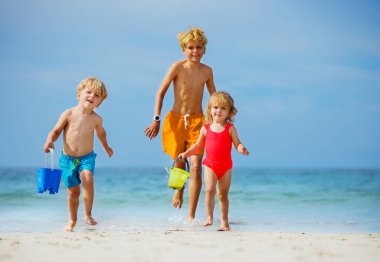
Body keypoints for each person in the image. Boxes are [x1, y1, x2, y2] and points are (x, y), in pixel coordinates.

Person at [144, 27, 216, 220]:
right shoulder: (177, 67)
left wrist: (218, 120)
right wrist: (156, 119)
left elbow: (213, 98)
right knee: (180, 161)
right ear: (184, 49)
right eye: (191, 47)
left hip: (198, 121)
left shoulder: (207, 71)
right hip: (175, 120)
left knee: (195, 166)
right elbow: (160, 93)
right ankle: (178, 190)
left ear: (204, 49)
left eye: (199, 47)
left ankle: (191, 216)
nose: (195, 51)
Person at [43, 77, 113, 232]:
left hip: (86, 158)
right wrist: (49, 140)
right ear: (78, 95)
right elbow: (56, 131)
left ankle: (87, 215)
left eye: (97, 96)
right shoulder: (68, 114)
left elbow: (101, 134)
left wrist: (106, 147)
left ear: (99, 103)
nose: (92, 97)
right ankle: (72, 220)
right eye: (89, 92)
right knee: (73, 192)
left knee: (87, 178)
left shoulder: (96, 119)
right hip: (67, 159)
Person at [178, 91, 249, 231]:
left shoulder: (230, 129)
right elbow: (198, 146)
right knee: (209, 190)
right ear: (210, 109)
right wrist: (186, 153)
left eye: (223, 108)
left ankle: (224, 221)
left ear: (229, 112)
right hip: (210, 165)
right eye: (216, 107)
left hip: (226, 167)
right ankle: (209, 217)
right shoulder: (205, 128)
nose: (219, 111)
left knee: (223, 195)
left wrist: (241, 149)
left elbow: (237, 143)